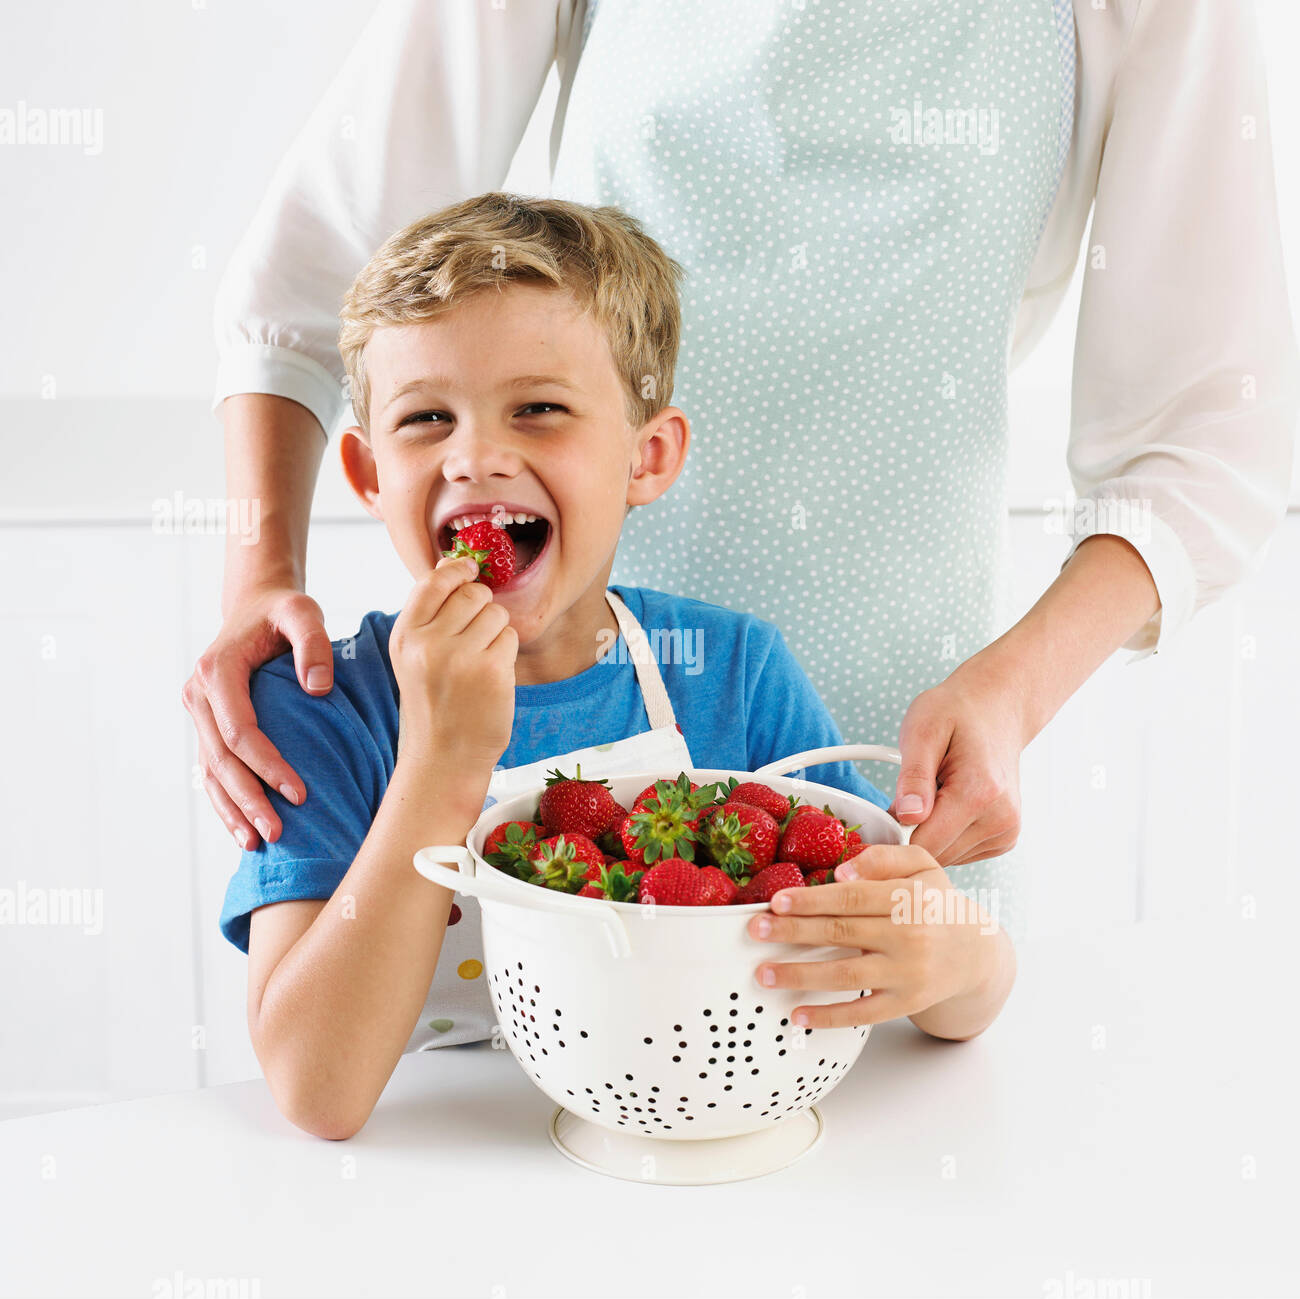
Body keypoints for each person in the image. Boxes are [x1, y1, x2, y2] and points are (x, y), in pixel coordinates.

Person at [189, 0, 1298, 932]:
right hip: (555, 709)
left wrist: (1012, 695)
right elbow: (318, 273)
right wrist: (259, 578)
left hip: (905, 726)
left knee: (875, 1067)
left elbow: (1210, 431)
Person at [222, 195, 1017, 1140]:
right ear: (368, 476)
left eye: (538, 410)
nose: (475, 457)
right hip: (450, 1157)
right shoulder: (317, 702)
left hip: (697, 1125)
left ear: (647, 457)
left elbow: (933, 972)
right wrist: (440, 763)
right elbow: (317, 1091)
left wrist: (962, 961)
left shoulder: (734, 674)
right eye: (427, 417)